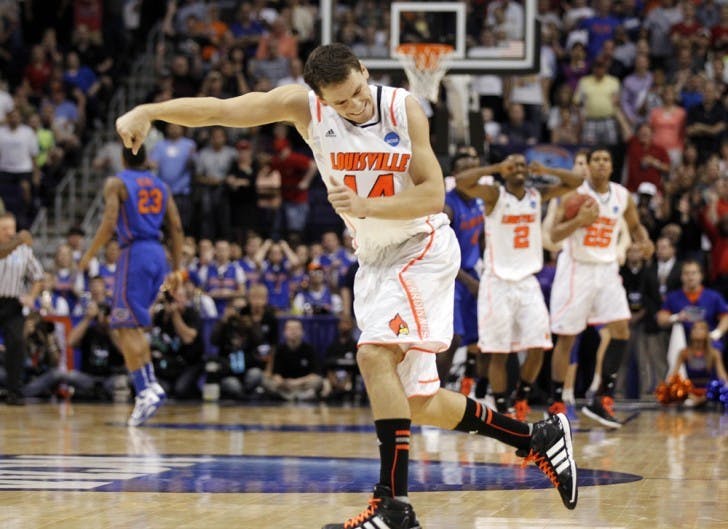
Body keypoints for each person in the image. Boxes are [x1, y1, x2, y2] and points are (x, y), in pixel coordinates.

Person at [115, 43, 578, 527]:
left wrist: (367, 207)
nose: (354, 105)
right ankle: (535, 439)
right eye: (341, 102)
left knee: (372, 354)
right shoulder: (305, 108)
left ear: (364, 71)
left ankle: (392, 507)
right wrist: (149, 111)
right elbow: (225, 111)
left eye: (358, 92)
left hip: (419, 246)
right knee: (418, 401)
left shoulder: (403, 107)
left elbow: (432, 193)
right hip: (375, 259)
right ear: (321, 99)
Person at [457, 155, 584, 421]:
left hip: (527, 281)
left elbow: (577, 181)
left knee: (538, 346)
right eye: (511, 166)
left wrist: (546, 169)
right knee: (499, 351)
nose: (517, 169)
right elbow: (461, 182)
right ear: (505, 171)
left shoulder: (537, 195)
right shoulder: (494, 195)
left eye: (521, 165)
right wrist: (493, 166)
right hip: (497, 282)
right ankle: (503, 409)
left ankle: (522, 397)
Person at [548, 147, 654, 428]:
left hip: (607, 269)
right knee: (567, 337)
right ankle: (557, 399)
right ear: (588, 166)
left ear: (611, 165)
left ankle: (602, 397)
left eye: (606, 159)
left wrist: (644, 241)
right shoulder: (575, 195)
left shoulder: (621, 195)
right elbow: (554, 234)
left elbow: (635, 226)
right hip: (577, 268)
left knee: (621, 329)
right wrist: (578, 221)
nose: (601, 164)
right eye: (596, 160)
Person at [78, 146, 184, 427]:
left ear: (123, 158)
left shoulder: (117, 182)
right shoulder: (162, 185)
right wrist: (178, 270)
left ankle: (146, 389)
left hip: (134, 252)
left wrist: (89, 255)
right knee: (133, 324)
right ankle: (148, 388)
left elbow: (110, 221)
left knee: (123, 324)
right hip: (158, 254)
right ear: (146, 158)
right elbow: (176, 226)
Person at [0, 212, 44, 405]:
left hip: (12, 303)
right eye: (5, 229)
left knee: (17, 344)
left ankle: (13, 391)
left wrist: (31, 296)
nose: (10, 233)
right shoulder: (16, 244)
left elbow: (38, 276)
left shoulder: (24, 251)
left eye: (12, 228)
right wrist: (19, 240)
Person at [665, 320, 728, 407]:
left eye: (701, 328)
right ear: (691, 333)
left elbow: (722, 376)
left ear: (707, 333)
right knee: (672, 388)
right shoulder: (684, 353)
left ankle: (702, 401)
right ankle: (693, 401)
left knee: (720, 387)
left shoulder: (714, 353)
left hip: (708, 391)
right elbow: (673, 374)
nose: (697, 330)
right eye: (695, 328)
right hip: (691, 391)